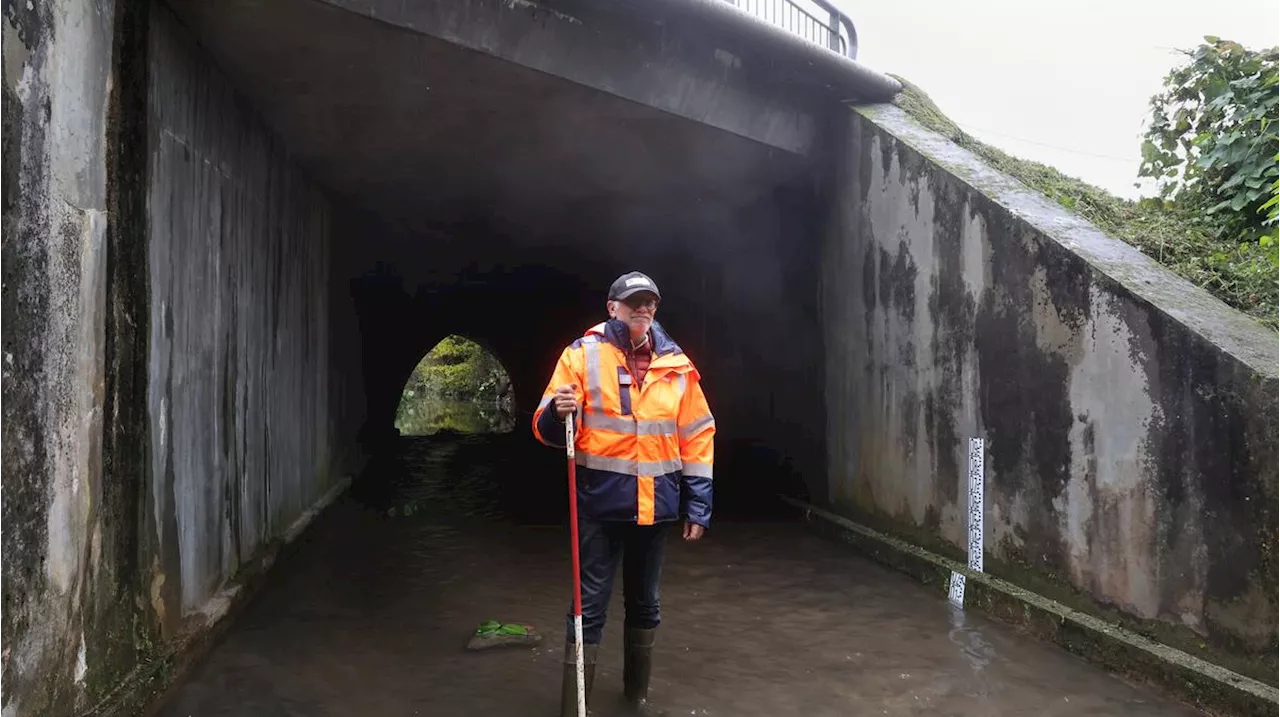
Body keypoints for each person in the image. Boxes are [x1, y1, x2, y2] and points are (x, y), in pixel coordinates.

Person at [532, 271, 715, 716]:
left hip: (657, 507)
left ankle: (637, 700)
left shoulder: (678, 367)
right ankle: (574, 706)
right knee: (587, 607)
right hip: (599, 504)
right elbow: (544, 426)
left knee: (646, 604)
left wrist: (698, 506)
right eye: (634, 302)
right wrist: (559, 413)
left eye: (650, 302)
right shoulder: (581, 356)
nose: (643, 309)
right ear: (612, 308)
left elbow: (697, 435)